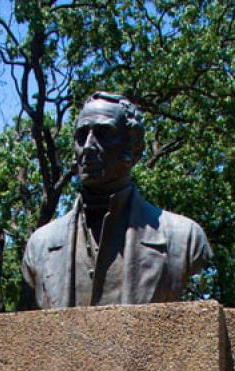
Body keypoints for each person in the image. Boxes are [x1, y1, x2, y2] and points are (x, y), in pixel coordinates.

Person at [21, 92, 211, 309]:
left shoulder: (183, 239)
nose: (89, 146)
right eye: (81, 136)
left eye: (104, 133)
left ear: (134, 147)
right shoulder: (40, 245)